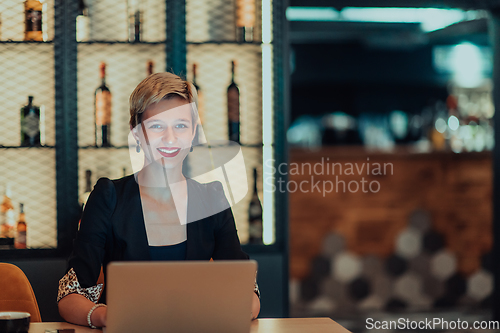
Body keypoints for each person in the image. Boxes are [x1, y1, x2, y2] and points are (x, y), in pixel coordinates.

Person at [57, 72, 260, 328]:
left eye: (181, 125)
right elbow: (69, 294)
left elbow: (248, 293)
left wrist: (234, 307)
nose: (170, 138)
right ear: (137, 132)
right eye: (156, 126)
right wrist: (105, 316)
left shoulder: (212, 199)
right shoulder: (108, 197)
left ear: (194, 132)